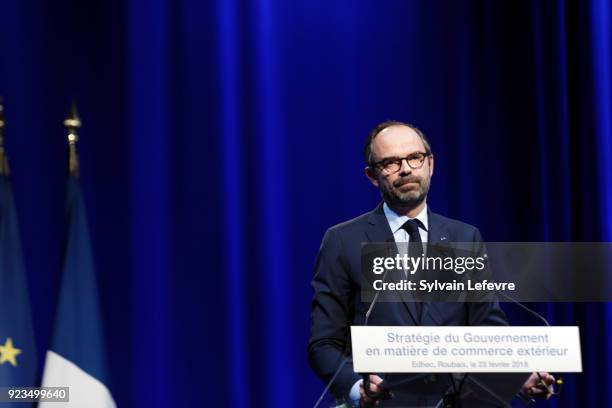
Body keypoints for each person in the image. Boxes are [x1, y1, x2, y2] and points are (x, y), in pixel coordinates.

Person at [308, 121, 554, 407]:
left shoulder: (464, 237)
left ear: (430, 164)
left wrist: (518, 376)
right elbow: (323, 344)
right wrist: (355, 389)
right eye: (390, 162)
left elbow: (487, 328)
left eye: (414, 158)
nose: (406, 169)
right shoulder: (343, 241)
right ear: (372, 175)